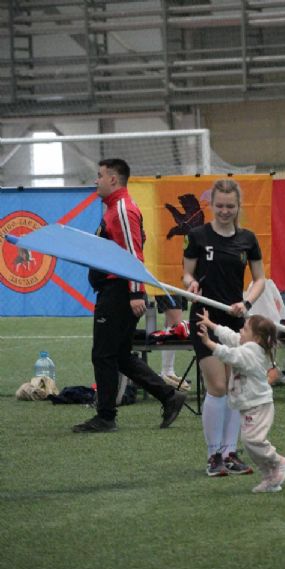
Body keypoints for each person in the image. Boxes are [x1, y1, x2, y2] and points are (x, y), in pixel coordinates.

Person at [72, 158, 186, 433]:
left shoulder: (122, 209)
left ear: (113, 179)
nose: (96, 180)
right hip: (117, 291)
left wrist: (136, 293)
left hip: (120, 293)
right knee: (120, 355)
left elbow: (134, 253)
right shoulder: (115, 208)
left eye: (100, 175)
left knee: (103, 355)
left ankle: (106, 417)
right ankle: (169, 396)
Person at [183, 178, 266, 476]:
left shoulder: (248, 239)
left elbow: (260, 279)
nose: (224, 211)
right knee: (217, 386)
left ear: (238, 205)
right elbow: (186, 274)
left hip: (234, 320)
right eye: (219, 205)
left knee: (233, 389)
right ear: (212, 204)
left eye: (230, 206)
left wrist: (247, 303)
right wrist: (191, 284)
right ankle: (213, 456)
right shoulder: (197, 235)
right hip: (205, 318)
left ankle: (230, 453)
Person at [197, 309, 285, 493]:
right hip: (251, 406)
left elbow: (229, 355)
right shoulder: (248, 345)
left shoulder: (251, 352)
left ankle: (279, 461)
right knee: (251, 443)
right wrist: (212, 325)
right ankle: (270, 477)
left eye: (245, 329)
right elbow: (230, 336)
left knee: (252, 440)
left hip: (259, 406)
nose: (240, 330)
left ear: (256, 338)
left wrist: (208, 343)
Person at [154, 294, 191, 391]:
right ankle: (167, 372)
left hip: (178, 284)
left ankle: (167, 370)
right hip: (170, 284)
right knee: (175, 323)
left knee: (171, 321)